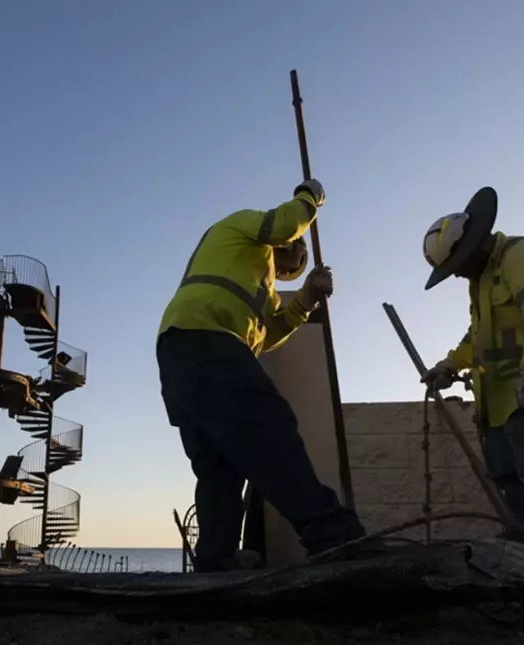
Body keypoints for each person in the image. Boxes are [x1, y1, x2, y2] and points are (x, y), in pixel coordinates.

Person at [157, 179, 367, 572]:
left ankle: (215, 563)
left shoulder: (261, 289)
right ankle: (334, 537)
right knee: (269, 430)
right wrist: (311, 196)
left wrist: (307, 299)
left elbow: (266, 336)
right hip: (205, 340)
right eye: (295, 251)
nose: (294, 256)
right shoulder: (243, 225)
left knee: (220, 468)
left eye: (297, 265)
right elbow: (284, 223)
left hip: (181, 353)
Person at [420, 186, 524, 563]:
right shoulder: (482, 281)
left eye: (458, 265)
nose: (457, 276)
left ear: (476, 244)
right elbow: (478, 337)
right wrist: (451, 365)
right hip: (499, 404)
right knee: (510, 481)